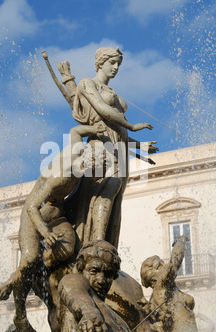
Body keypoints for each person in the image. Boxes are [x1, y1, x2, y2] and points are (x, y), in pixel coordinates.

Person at [0, 122, 105, 332]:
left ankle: (43, 262)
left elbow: (74, 131)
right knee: (29, 258)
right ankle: (12, 280)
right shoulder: (61, 178)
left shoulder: (77, 150)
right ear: (86, 163)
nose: (97, 175)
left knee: (69, 247)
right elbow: (32, 206)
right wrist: (45, 233)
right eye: (96, 169)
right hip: (34, 213)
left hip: (56, 210)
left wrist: (95, 130)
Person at [66, 46, 156, 250]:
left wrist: (139, 146)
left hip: (119, 150)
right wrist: (132, 125)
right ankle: (96, 244)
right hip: (101, 149)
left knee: (115, 199)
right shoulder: (87, 83)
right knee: (105, 191)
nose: (115, 68)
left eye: (118, 64)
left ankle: (107, 245)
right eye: (112, 62)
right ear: (100, 62)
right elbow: (103, 110)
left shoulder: (112, 91)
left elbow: (116, 130)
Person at [139, 236, 212, 332]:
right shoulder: (162, 286)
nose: (163, 266)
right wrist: (181, 241)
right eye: (158, 266)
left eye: (161, 263)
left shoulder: (160, 296)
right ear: (151, 278)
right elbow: (175, 262)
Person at [57, 240, 133, 332]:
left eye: (108, 274)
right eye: (94, 271)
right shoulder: (74, 281)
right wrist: (89, 314)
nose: (101, 280)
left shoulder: (121, 322)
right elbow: (73, 291)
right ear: (80, 269)